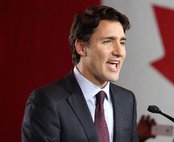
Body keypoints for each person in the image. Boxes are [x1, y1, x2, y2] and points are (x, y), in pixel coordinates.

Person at [21, 5, 139, 142]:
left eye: (122, 42)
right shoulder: (47, 101)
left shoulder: (126, 100)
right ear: (81, 47)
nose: (119, 52)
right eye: (107, 41)